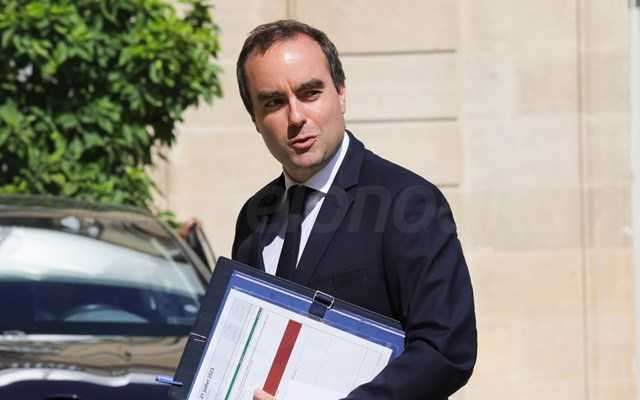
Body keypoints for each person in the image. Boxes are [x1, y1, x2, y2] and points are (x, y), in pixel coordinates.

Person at [232, 20, 477, 400]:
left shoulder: (409, 202)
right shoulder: (254, 216)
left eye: (310, 93)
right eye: (274, 102)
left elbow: (446, 351)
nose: (296, 117)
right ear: (255, 118)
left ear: (341, 94)